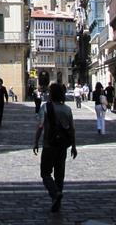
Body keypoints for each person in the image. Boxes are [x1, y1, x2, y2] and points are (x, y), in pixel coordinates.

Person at [33, 82, 77, 213]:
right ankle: (56, 201)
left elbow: (40, 126)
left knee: (45, 173)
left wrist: (35, 141)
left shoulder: (46, 107)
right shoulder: (67, 109)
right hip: (63, 145)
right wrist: (74, 146)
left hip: (49, 144)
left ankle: (55, 193)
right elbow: (72, 129)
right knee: (59, 174)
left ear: (51, 94)